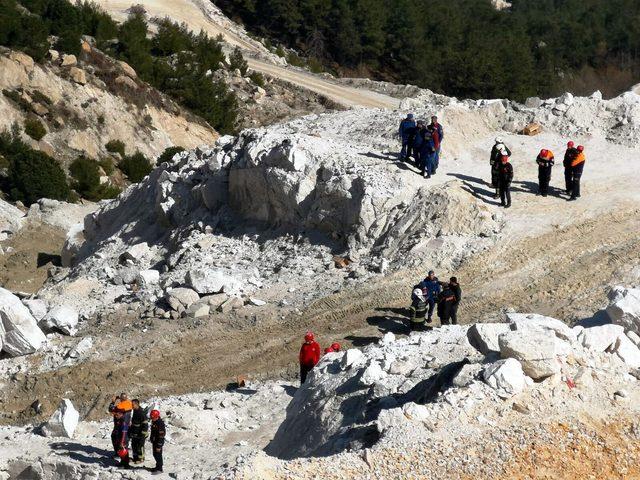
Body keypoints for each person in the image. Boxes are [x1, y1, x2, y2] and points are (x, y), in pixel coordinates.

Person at [130, 399, 149, 464]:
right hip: (135, 433)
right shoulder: (135, 411)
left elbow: (145, 425)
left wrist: (142, 435)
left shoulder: (141, 413)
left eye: (132, 404)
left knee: (140, 446)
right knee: (134, 445)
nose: (131, 406)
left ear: (136, 404)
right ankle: (135, 458)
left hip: (140, 434)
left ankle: (141, 459)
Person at [149, 409, 166, 475]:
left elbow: (161, 435)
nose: (151, 419)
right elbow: (153, 431)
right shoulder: (154, 422)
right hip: (154, 441)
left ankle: (160, 469)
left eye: (152, 417)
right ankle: (157, 466)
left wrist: (159, 445)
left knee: (158, 455)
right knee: (155, 454)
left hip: (158, 442)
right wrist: (151, 438)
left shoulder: (160, 423)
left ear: (156, 416)